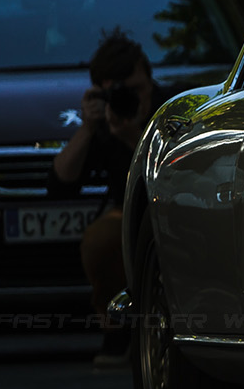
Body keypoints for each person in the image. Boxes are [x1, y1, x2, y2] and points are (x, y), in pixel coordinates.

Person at [48, 30, 164, 367]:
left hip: (172, 212)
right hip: (126, 217)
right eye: (121, 92)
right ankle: (117, 330)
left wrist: (134, 139)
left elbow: (178, 174)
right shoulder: (105, 122)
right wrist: (88, 127)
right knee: (101, 239)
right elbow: (59, 186)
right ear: (102, 91)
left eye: (139, 90)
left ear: (150, 81)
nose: (133, 101)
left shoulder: (167, 109)